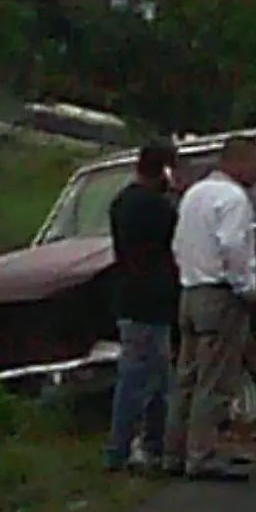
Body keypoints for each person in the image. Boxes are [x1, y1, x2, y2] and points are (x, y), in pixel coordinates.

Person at [164, 136, 256, 481]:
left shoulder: (194, 194)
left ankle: (173, 450)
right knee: (216, 377)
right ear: (239, 162)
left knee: (186, 377)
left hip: (190, 290)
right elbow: (234, 246)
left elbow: (178, 243)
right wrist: (246, 287)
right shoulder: (233, 199)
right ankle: (201, 454)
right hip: (220, 295)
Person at [104, 142, 179, 475]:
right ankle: (145, 445)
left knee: (133, 374)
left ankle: (122, 447)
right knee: (151, 379)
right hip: (153, 300)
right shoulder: (158, 208)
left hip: (128, 296)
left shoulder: (122, 202)